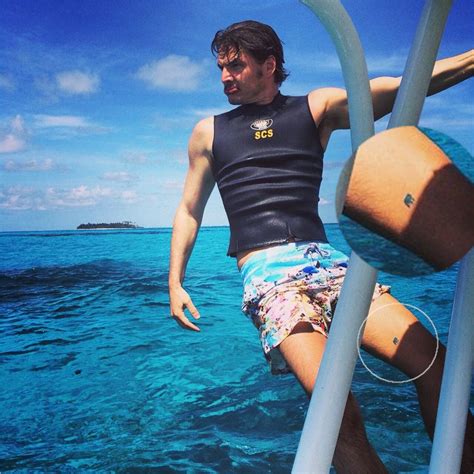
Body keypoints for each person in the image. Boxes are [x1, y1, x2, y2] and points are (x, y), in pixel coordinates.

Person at [168, 20, 473, 472]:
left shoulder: (316, 108)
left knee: (435, 363)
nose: (224, 77)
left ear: (269, 65)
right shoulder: (207, 133)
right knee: (336, 412)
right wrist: (175, 281)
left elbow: (400, 88)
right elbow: (189, 209)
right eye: (221, 68)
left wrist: (470, 60)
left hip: (331, 265)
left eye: (236, 66)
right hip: (270, 277)